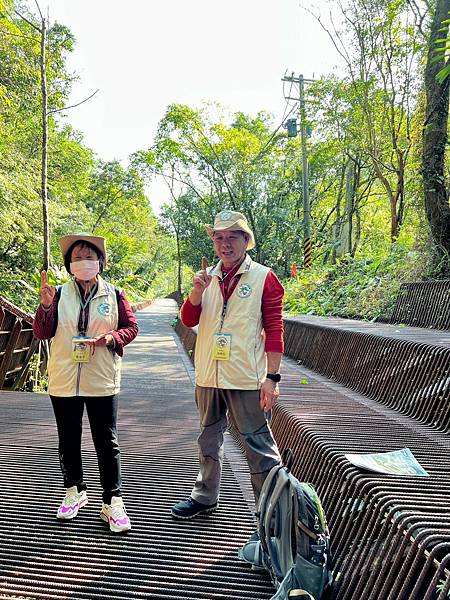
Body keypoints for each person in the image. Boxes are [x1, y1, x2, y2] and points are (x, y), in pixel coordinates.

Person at [171, 210, 284, 521]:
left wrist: (272, 377)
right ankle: (204, 496)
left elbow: (275, 330)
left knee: (257, 444)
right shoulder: (206, 278)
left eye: (233, 236)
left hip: (246, 375)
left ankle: (271, 514)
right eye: (219, 237)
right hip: (208, 374)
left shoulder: (264, 277)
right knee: (208, 437)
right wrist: (196, 291)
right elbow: (189, 320)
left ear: (246, 241)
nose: (225, 243)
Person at [33, 234, 139, 533]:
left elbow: (131, 327)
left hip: (101, 378)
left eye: (88, 256)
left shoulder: (115, 294)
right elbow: (42, 332)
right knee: (68, 438)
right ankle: (74, 490)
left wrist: (111, 338)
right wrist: (43, 307)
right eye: (77, 258)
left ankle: (112, 501)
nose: (83, 262)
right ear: (69, 265)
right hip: (65, 378)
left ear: (100, 262)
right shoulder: (57, 295)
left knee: (107, 441)